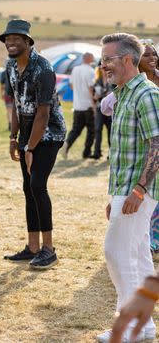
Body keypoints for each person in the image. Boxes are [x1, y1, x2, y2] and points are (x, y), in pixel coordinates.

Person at [97, 32, 159, 343]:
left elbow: (157, 144)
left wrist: (136, 191)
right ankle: (144, 327)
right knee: (136, 254)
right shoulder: (123, 94)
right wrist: (118, 195)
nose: (103, 64)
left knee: (116, 252)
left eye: (108, 59)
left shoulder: (146, 93)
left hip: (139, 190)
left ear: (126, 60)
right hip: (127, 189)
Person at [1, 19, 66, 270]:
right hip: (27, 135)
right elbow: (17, 105)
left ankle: (49, 250)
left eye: (16, 38)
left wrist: (30, 148)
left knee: (38, 185)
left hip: (49, 135)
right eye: (7, 39)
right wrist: (14, 138)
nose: (11, 42)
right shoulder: (11, 67)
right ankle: (33, 247)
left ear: (28, 42)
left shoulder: (43, 68)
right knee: (28, 188)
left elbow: (43, 114)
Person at [61, 52, 96, 159]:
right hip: (88, 105)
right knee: (91, 130)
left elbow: (71, 85)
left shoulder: (75, 69)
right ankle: (86, 152)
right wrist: (94, 104)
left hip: (77, 105)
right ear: (90, 59)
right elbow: (91, 88)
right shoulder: (90, 71)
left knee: (76, 129)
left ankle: (67, 143)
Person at [90, 60, 114, 160]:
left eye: (104, 66)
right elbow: (94, 97)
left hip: (111, 109)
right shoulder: (97, 80)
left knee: (110, 131)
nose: (102, 68)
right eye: (100, 66)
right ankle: (96, 152)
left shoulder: (113, 80)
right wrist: (95, 98)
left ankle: (111, 153)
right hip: (100, 108)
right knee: (97, 129)